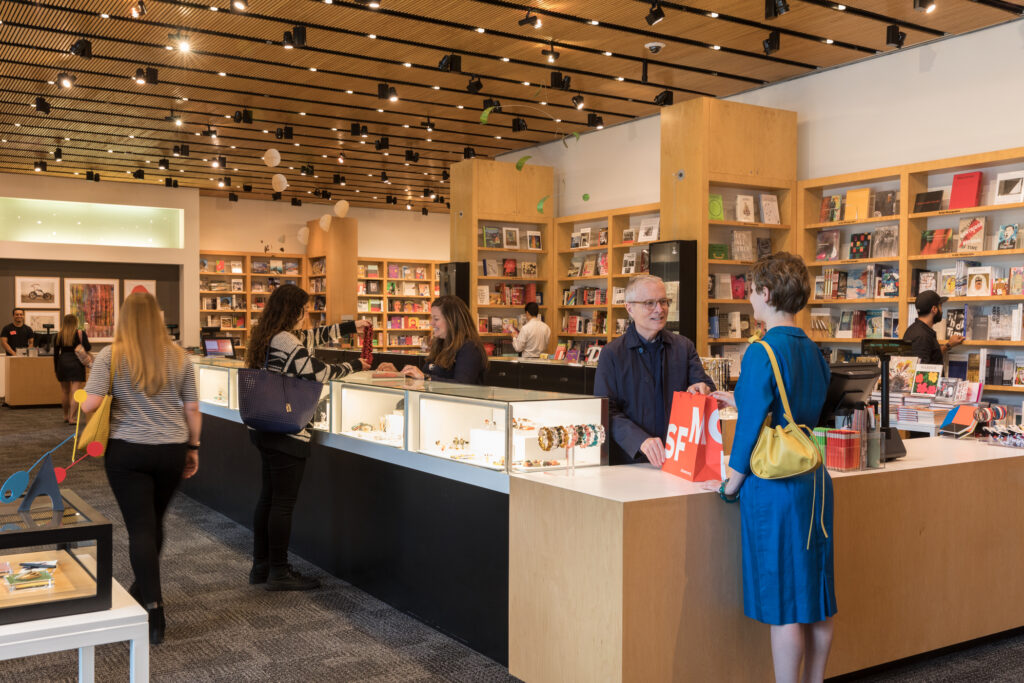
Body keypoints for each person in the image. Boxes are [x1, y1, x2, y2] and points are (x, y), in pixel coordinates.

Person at [711, 253, 836, 683]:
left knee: (785, 604)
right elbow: (795, 405)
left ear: (766, 293)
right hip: (814, 480)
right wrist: (742, 398)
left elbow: (750, 429)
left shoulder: (760, 350)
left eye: (751, 292)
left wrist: (732, 483)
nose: (749, 300)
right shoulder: (814, 350)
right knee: (817, 597)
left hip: (777, 485)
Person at [81, 292, 201, 646]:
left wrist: (92, 389)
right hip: (172, 449)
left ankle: (153, 609)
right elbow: (192, 408)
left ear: (125, 319)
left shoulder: (110, 355)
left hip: (127, 451)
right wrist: (193, 448)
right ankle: (143, 591)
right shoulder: (180, 357)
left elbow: (89, 405)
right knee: (153, 523)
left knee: (140, 528)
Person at [244, 284, 371, 591]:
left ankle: (261, 566)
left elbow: (314, 337)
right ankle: (279, 571)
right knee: (283, 504)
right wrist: (355, 365)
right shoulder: (287, 340)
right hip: (287, 432)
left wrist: (351, 327)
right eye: (304, 309)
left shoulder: (270, 335)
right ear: (295, 310)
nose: (306, 315)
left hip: (265, 429)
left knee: (268, 498)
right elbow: (317, 372)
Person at [593, 274, 715, 466]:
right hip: (630, 462)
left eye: (663, 301)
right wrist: (639, 440)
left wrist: (701, 390)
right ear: (629, 308)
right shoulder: (612, 354)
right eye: (649, 303)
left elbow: (706, 389)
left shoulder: (684, 347)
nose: (659, 309)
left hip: (679, 459)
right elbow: (605, 411)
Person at [378, 295, 487, 384]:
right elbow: (425, 379)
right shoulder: (440, 344)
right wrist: (399, 375)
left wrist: (425, 378)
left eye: (436, 319)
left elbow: (463, 386)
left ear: (452, 321)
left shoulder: (470, 348)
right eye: (431, 318)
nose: (431, 323)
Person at [903, 290, 963, 364]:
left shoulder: (916, 330)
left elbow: (932, 355)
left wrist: (948, 345)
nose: (942, 311)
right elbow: (921, 368)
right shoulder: (922, 336)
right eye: (940, 306)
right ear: (934, 309)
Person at [53, 314, 91, 424]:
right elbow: (88, 347)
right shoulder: (80, 333)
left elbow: (55, 354)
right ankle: (72, 418)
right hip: (76, 362)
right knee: (75, 392)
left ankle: (65, 416)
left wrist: (56, 368)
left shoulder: (58, 335)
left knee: (65, 392)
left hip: (62, 362)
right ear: (75, 322)